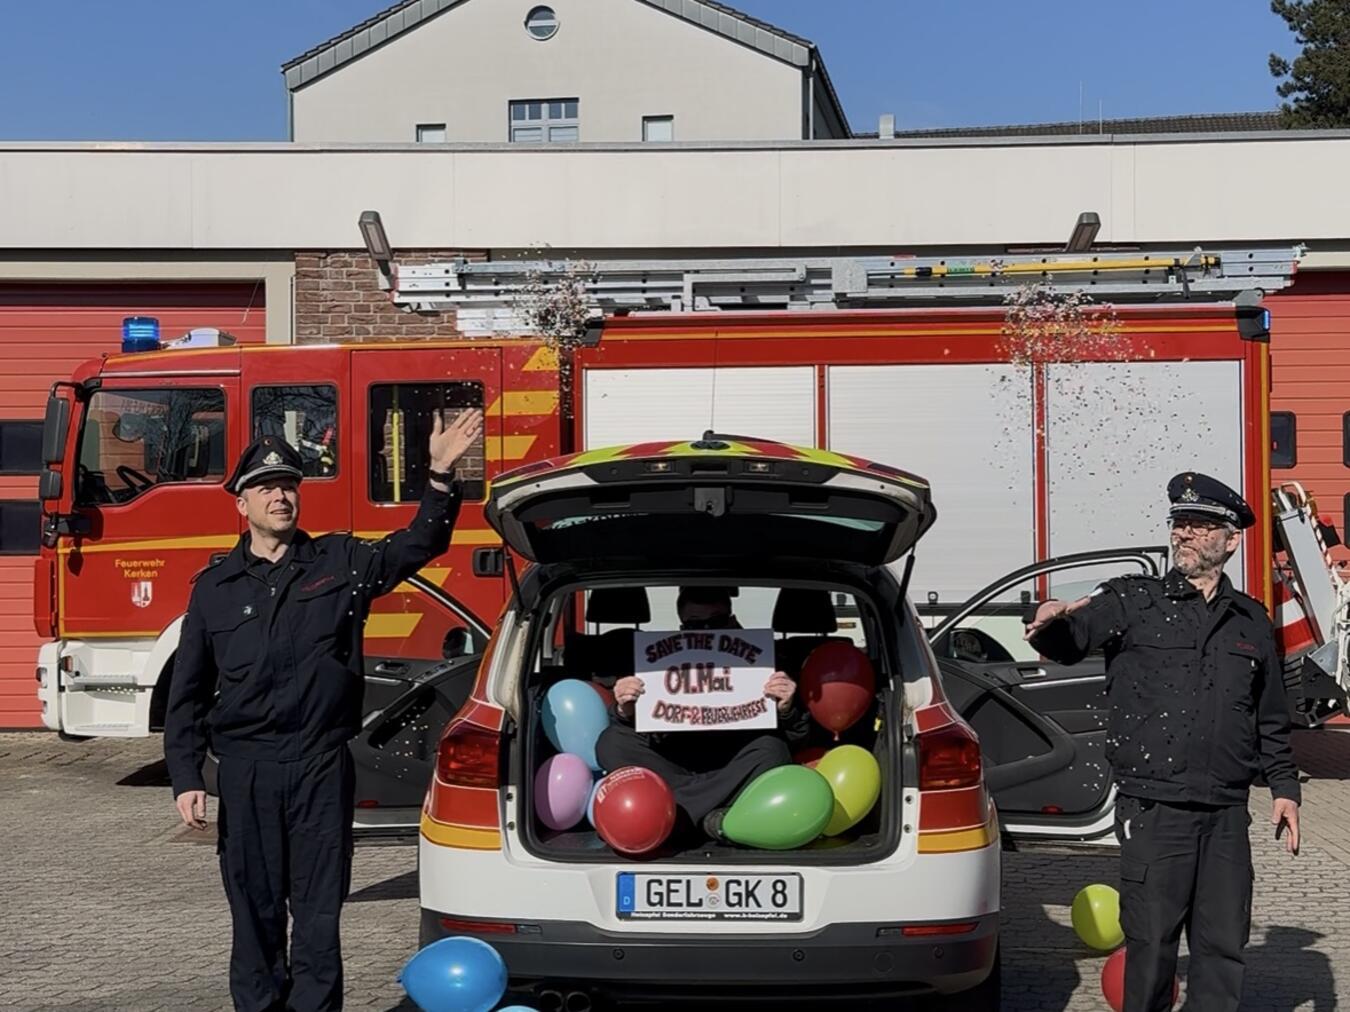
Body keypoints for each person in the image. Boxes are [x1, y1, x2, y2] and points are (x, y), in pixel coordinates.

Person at [164, 409, 483, 1012]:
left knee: (316, 915)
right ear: (241, 503)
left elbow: (418, 545)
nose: (280, 496)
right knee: (254, 915)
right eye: (265, 488)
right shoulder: (214, 589)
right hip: (247, 771)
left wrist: (439, 474)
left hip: (318, 768)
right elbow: (187, 694)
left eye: (288, 485)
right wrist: (185, 776)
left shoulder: (340, 563)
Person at [1024, 472, 1301, 1012]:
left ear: (1230, 539)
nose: (1185, 535)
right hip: (1155, 810)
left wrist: (1286, 787)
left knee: (1223, 946)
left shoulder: (1250, 619)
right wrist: (1047, 621)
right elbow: (1070, 637)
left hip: (1225, 813)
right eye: (1179, 524)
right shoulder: (1132, 599)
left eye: (1199, 526)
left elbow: (1269, 716)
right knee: (1151, 947)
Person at [596, 586, 809, 842]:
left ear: (732, 620)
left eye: (716, 622)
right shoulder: (654, 657)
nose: (707, 630)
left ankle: (677, 820)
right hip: (673, 763)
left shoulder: (767, 660)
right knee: (611, 742)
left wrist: (787, 709)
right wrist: (625, 710)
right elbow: (627, 729)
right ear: (682, 626)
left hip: (733, 764)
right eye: (696, 623)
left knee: (774, 750)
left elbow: (798, 738)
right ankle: (711, 818)